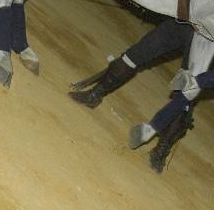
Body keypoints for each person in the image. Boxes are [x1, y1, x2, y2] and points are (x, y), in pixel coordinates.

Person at [69, 18, 195, 172]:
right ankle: (94, 95)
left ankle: (161, 149)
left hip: (208, 41)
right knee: (134, 55)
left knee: (187, 92)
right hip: (183, 22)